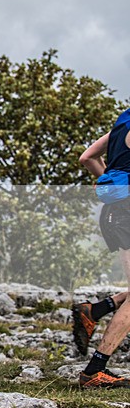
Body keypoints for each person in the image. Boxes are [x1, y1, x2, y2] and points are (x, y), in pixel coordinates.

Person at [76, 107, 130, 388]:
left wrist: (116, 189)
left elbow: (87, 157)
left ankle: (95, 311)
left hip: (117, 211)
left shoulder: (121, 125)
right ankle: (94, 370)